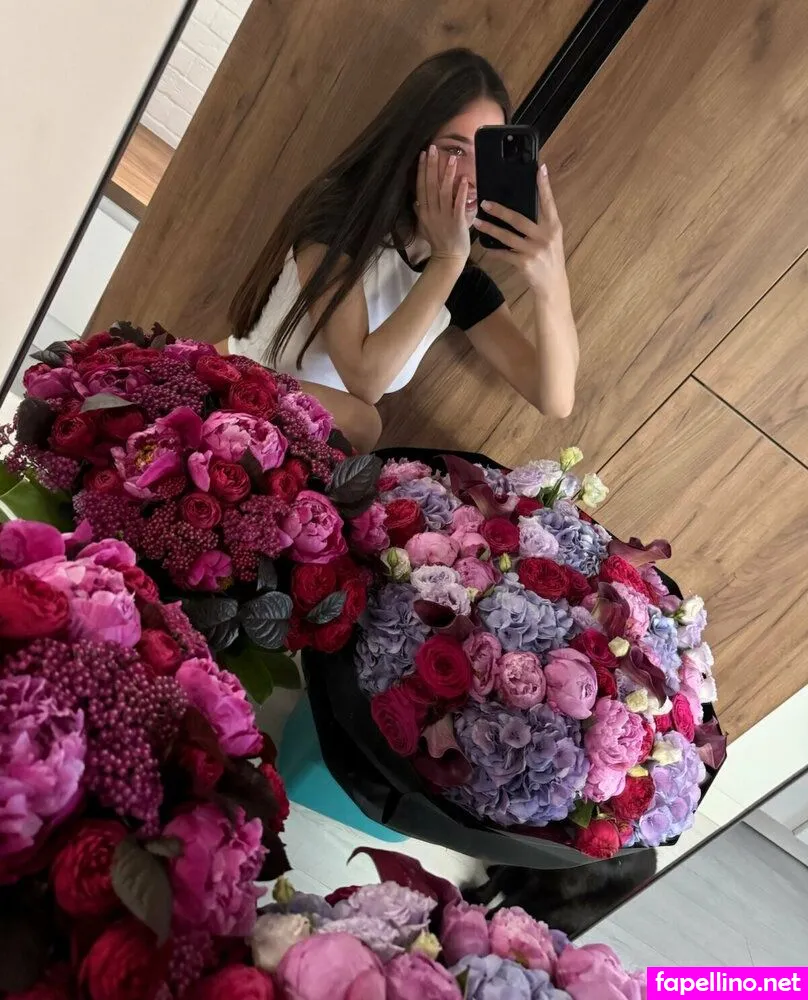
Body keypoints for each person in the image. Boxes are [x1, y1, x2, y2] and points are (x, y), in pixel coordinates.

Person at [225, 49, 579, 452]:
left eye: (485, 156)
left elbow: (555, 399)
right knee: (365, 423)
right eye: (454, 150)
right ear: (414, 146)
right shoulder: (339, 217)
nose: (471, 177)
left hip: (294, 448)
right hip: (229, 399)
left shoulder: (460, 280)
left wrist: (552, 282)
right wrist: (448, 260)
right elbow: (365, 379)